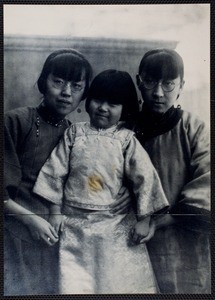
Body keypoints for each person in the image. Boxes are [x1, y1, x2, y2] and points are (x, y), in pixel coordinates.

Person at [33, 69, 169, 294]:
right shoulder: (74, 133)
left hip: (115, 223)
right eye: (98, 100)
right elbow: (54, 171)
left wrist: (144, 219)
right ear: (88, 101)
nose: (103, 108)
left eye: (113, 104)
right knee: (77, 281)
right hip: (74, 222)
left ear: (124, 108)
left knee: (117, 281)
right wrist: (54, 210)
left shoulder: (126, 140)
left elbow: (145, 178)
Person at [4, 48, 93, 295]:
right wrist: (31, 220)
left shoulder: (74, 135)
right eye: (58, 82)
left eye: (76, 86)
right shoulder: (16, 122)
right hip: (13, 235)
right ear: (44, 83)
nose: (66, 92)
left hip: (54, 241)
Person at [132, 48, 210, 293]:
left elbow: (206, 182)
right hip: (133, 239)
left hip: (182, 243)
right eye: (150, 82)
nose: (157, 93)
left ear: (181, 85)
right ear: (138, 81)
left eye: (168, 84)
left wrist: (163, 220)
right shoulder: (125, 129)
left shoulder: (193, 127)